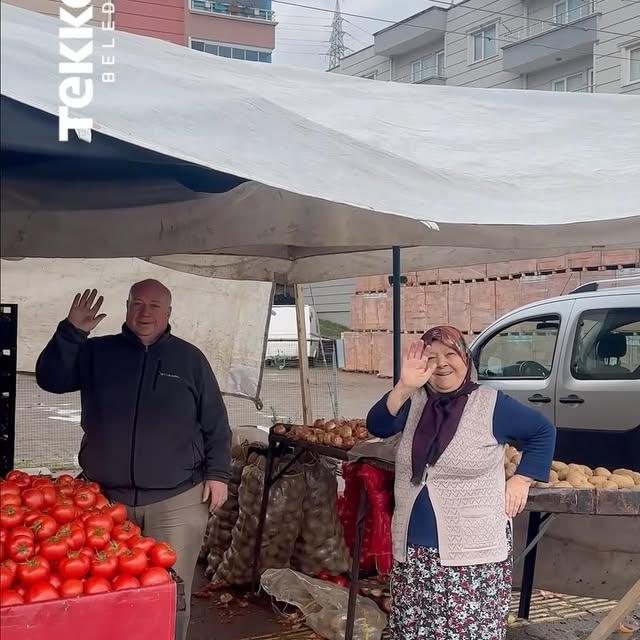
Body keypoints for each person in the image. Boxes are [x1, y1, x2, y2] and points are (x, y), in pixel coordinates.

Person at [36, 281, 231, 640]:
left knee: (172, 592)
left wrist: (218, 474)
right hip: (104, 500)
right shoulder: (96, 352)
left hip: (178, 500)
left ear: (169, 314)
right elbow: (50, 379)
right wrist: (72, 332)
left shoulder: (190, 359)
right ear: (126, 307)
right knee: (103, 590)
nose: (145, 312)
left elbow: (216, 423)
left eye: (155, 305)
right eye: (138, 303)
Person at [366, 325, 556, 640]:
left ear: (465, 357)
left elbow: (542, 432)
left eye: (450, 354)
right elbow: (378, 425)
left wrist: (522, 478)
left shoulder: (492, 405)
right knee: (413, 630)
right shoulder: (415, 399)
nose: (441, 364)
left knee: (465, 632)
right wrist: (403, 386)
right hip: (414, 552)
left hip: (471, 556)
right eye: (431, 356)